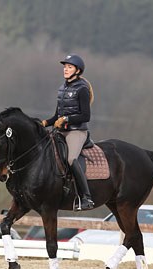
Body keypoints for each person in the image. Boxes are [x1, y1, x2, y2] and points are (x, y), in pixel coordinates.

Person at [42, 54, 94, 210]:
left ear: (77, 70)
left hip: (76, 131)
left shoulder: (82, 89)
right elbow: (56, 116)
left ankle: (86, 197)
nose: (65, 69)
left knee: (71, 159)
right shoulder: (62, 88)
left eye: (69, 67)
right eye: (65, 67)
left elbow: (86, 116)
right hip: (61, 131)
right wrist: (44, 123)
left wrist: (66, 120)